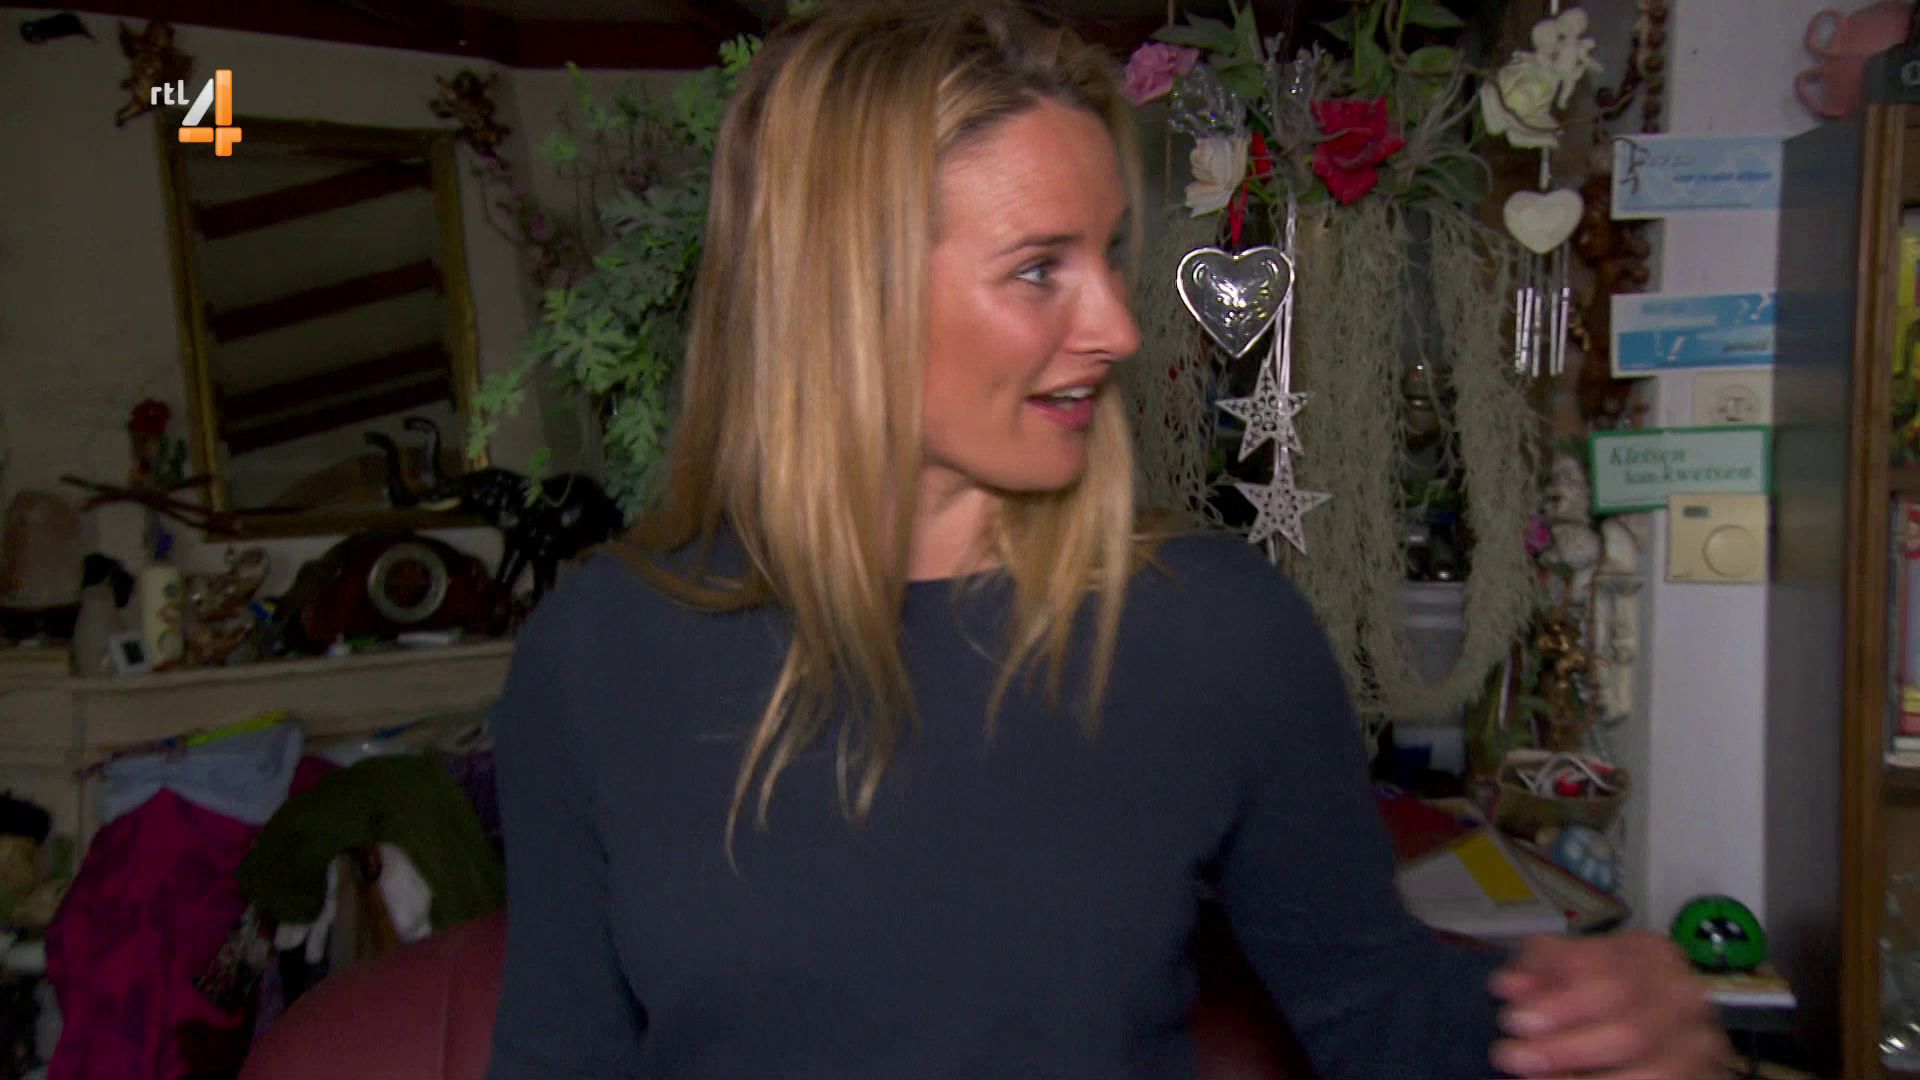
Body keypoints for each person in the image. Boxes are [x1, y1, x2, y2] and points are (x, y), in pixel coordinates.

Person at [484, 2, 1730, 1077]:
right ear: (845, 296)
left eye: (1110, 257)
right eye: (1040, 269)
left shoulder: (1212, 631)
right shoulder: (598, 655)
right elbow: (557, 1055)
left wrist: (1588, 1018)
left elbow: (1379, 1013)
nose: (1119, 330)